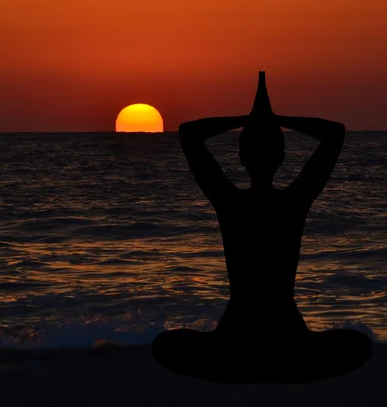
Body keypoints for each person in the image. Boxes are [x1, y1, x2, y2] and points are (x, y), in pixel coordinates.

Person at [151, 72, 372, 383]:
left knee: (165, 346)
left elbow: (189, 133)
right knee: (357, 346)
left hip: (236, 330)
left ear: (241, 157)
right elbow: (334, 133)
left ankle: (243, 364)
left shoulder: (229, 202)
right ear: (282, 158)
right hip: (287, 330)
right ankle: (280, 364)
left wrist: (247, 119)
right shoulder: (294, 202)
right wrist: (274, 119)